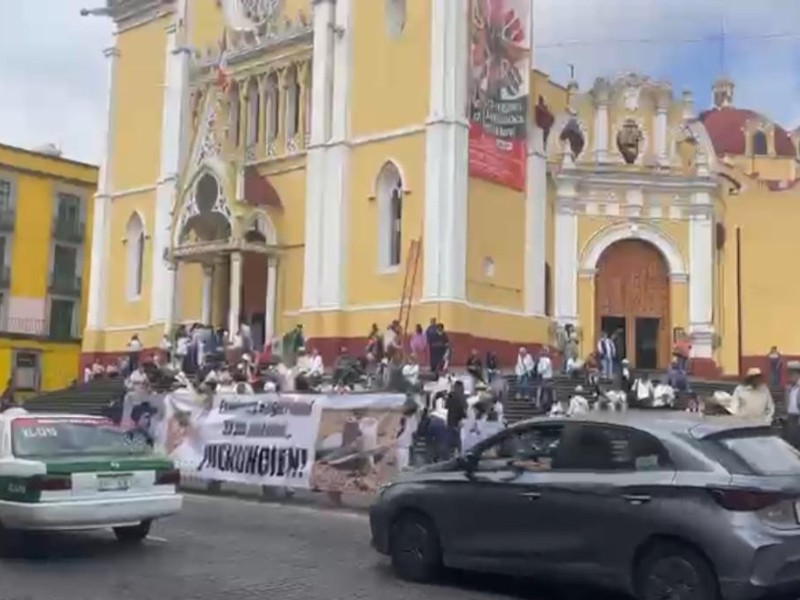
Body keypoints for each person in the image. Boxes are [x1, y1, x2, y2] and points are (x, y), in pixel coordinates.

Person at [783, 361, 800, 447]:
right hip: (790, 418)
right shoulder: (789, 387)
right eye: (789, 373)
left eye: (791, 373)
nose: (789, 376)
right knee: (791, 444)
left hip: (798, 418)